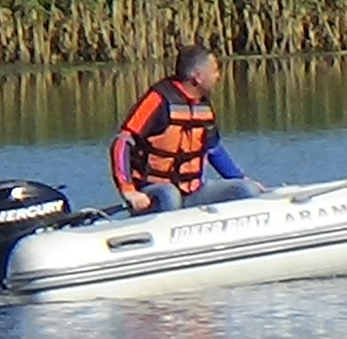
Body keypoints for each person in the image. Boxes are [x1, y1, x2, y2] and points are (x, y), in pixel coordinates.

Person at [109, 45, 262, 213]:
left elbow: (214, 149)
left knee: (246, 190)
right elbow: (122, 142)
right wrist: (129, 190)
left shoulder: (204, 105)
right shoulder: (158, 100)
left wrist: (242, 178)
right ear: (198, 76)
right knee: (170, 195)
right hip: (155, 193)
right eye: (214, 71)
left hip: (193, 192)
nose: (218, 76)